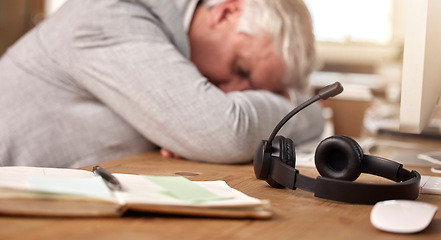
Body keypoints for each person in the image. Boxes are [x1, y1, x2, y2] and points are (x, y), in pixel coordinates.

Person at [0, 0, 324, 168]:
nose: (235, 94)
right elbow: (224, 132)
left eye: (256, 93)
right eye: (240, 70)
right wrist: (308, 113)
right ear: (225, 13)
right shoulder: (116, 12)